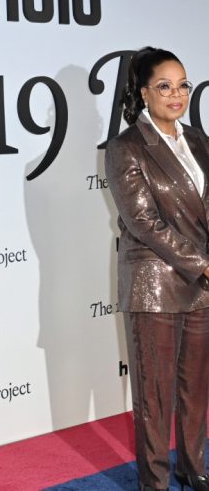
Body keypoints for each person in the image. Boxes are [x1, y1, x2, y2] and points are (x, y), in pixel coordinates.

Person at [105, 47, 209, 491]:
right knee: (154, 393)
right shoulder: (126, 147)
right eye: (164, 86)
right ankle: (155, 482)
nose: (176, 94)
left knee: (195, 388)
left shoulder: (199, 141)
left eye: (183, 85)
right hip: (155, 283)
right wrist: (204, 264)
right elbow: (142, 222)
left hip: (200, 285)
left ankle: (193, 467)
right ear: (144, 93)